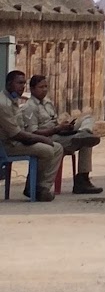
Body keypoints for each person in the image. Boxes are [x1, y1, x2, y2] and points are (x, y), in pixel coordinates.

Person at [21, 75, 103, 195]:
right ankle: (81, 179)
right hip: (48, 137)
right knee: (86, 142)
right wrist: (57, 129)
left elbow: (54, 121)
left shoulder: (48, 103)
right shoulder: (29, 107)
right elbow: (33, 132)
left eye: (45, 87)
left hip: (59, 132)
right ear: (32, 89)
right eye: (40, 87)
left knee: (87, 119)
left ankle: (83, 134)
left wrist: (64, 126)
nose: (44, 89)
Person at [0, 70, 63, 201]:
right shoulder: (3, 104)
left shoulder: (13, 99)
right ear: (10, 84)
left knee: (57, 148)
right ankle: (32, 187)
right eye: (19, 83)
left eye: (23, 83)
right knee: (47, 149)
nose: (22, 87)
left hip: (20, 140)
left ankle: (42, 187)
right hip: (9, 145)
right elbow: (16, 134)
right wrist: (42, 138)